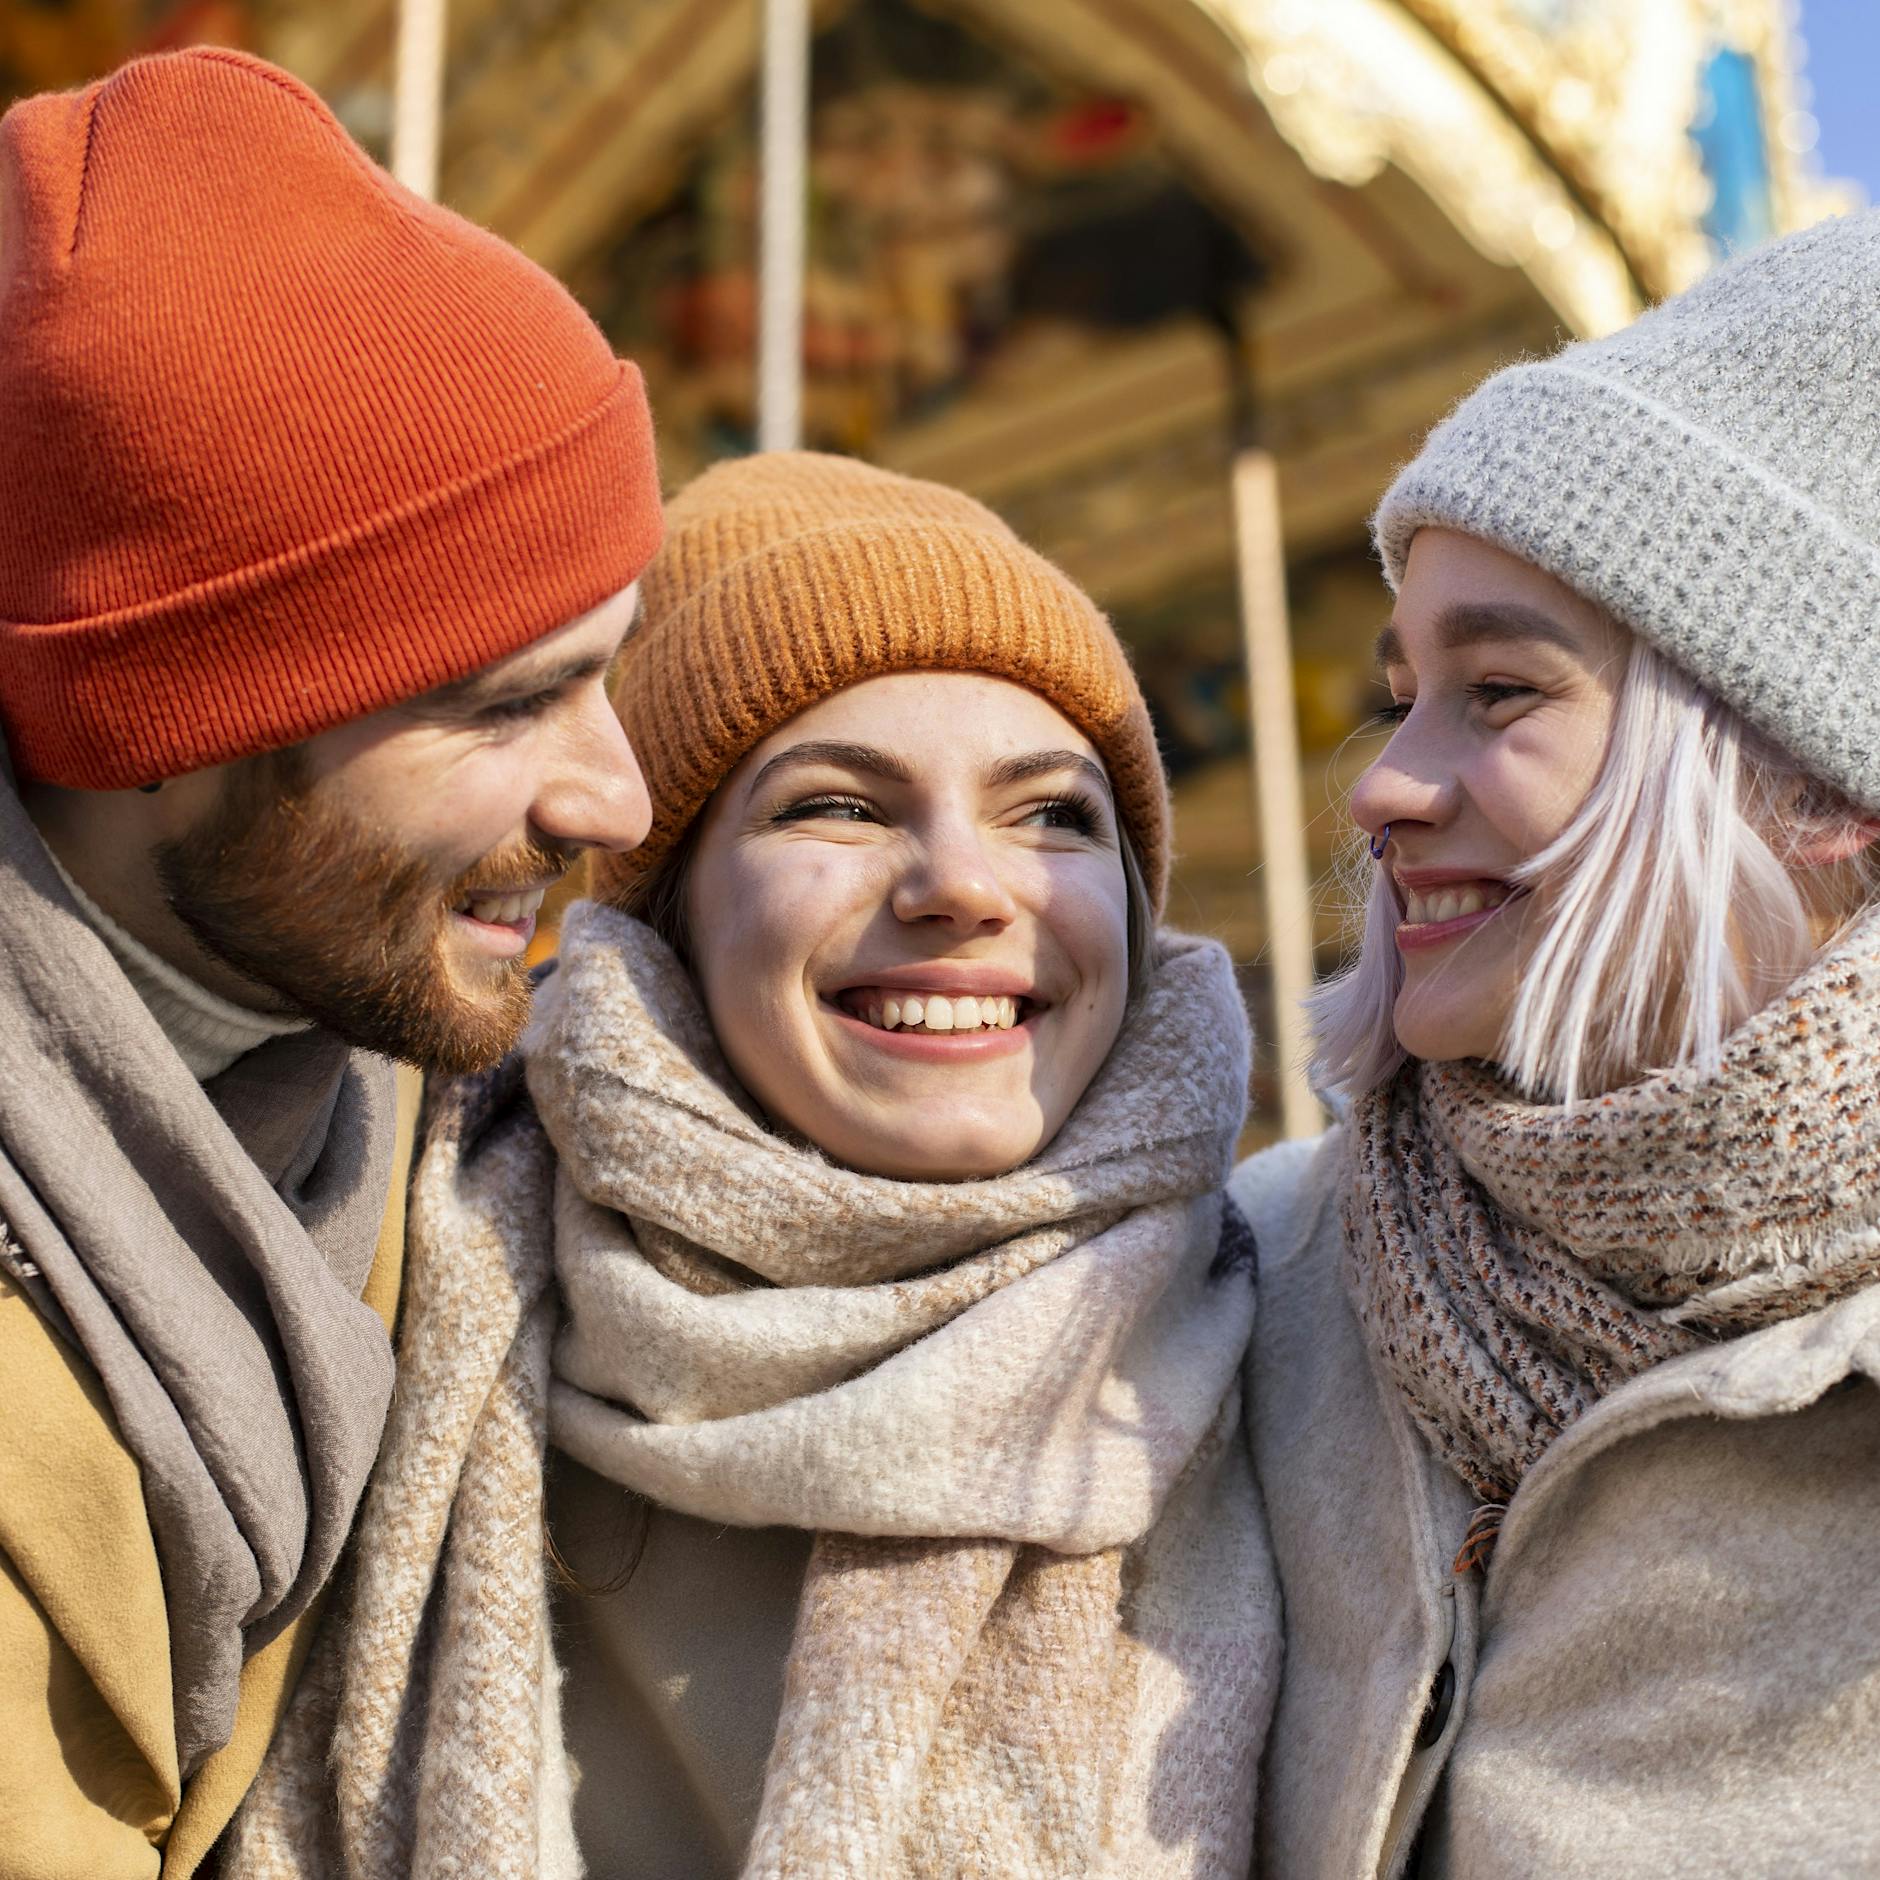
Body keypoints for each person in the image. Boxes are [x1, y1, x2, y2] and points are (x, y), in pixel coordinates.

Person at [233, 453, 1277, 1879]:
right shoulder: (379, 1268)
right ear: (664, 921)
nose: (966, 886)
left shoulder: (1317, 1331)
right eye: (837, 806)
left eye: (1054, 813)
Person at [0, 48, 662, 1879]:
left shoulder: (375, 1115)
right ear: (172, 721)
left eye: (609, 669)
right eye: (510, 702)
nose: (616, 796)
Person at [1234, 209, 1880, 1878]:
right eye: (1402, 696)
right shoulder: (1253, 1289)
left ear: (1814, 786)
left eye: (1502, 693)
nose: (1382, 786)